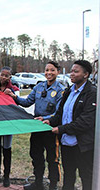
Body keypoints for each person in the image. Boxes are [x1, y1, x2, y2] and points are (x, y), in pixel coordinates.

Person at [6, 61, 64, 190]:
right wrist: (14, 97)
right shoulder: (39, 87)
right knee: (36, 156)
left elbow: (59, 112)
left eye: (52, 70)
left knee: (52, 159)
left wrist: (46, 118)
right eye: (47, 70)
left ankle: (53, 185)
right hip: (37, 128)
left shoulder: (60, 91)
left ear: (58, 72)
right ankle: (38, 183)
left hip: (50, 129)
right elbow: (27, 102)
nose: (49, 73)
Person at [44, 60, 96, 190]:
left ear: (86, 74)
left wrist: (61, 129)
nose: (71, 74)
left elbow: (85, 121)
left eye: (76, 71)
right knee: (68, 177)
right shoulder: (68, 91)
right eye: (71, 71)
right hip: (67, 144)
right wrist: (50, 121)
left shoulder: (92, 93)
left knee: (86, 178)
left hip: (83, 146)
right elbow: (60, 114)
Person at [0, 66, 20, 187]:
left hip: (8, 123)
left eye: (7, 75)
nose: (4, 77)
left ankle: (6, 176)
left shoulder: (14, 89)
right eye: (2, 75)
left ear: (10, 77)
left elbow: (18, 105)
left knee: (7, 149)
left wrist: (12, 95)